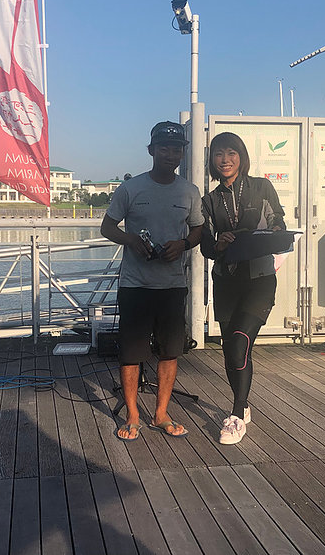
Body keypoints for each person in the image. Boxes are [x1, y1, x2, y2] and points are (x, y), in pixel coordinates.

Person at [101, 121, 204, 442]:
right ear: (151, 151)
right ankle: (133, 415)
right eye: (164, 148)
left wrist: (183, 244)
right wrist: (131, 240)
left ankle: (160, 414)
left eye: (177, 149)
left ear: (182, 153)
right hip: (135, 285)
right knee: (131, 353)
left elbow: (198, 229)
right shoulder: (131, 188)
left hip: (172, 285)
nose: (170, 155)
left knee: (170, 351)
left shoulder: (189, 191)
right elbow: (107, 227)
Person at [200, 132, 286, 445]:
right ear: (212, 160)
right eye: (219, 154)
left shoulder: (262, 187)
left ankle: (236, 414)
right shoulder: (209, 201)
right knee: (230, 350)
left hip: (259, 278)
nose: (225, 160)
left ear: (241, 156)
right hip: (226, 280)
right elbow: (206, 247)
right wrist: (218, 244)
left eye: (231, 153)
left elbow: (279, 221)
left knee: (239, 343)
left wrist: (275, 230)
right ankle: (243, 404)